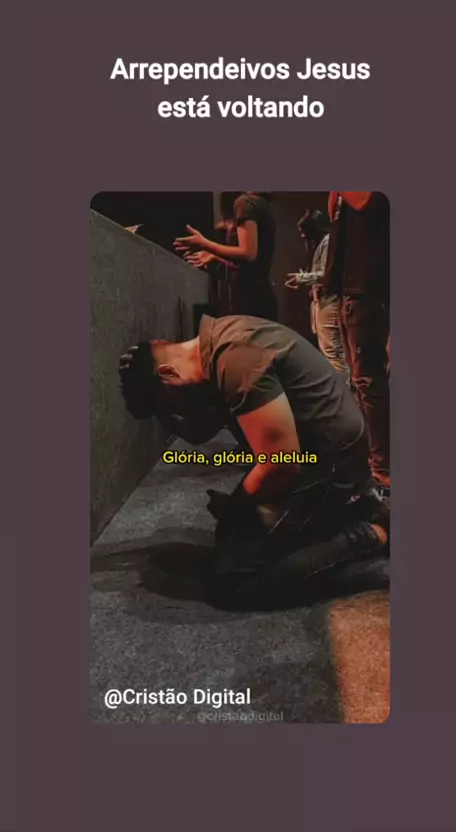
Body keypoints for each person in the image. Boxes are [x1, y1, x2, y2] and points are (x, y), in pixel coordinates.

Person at [118, 314, 389, 609]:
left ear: (169, 372)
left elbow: (281, 466)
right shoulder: (214, 349)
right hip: (308, 451)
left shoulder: (237, 359)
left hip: (327, 459)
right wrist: (156, 404)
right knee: (230, 535)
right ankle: (348, 512)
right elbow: (199, 432)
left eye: (172, 404)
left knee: (234, 582)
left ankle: (368, 534)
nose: (177, 410)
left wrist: (235, 505)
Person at [323, 192, 390, 490]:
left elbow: (365, 203)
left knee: (369, 380)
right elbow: (334, 216)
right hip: (349, 287)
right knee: (359, 381)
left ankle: (383, 466)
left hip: (368, 288)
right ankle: (368, 458)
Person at [174, 192, 278, 321]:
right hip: (260, 297)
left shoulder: (245, 203)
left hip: (248, 301)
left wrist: (203, 243)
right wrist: (216, 256)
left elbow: (248, 254)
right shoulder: (262, 205)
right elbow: (250, 264)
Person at [286, 209, 349, 379]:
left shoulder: (327, 242)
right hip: (322, 302)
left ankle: (342, 392)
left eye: (303, 232)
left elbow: (327, 273)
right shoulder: (320, 244)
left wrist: (303, 278)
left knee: (333, 353)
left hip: (330, 301)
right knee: (329, 352)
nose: (302, 236)